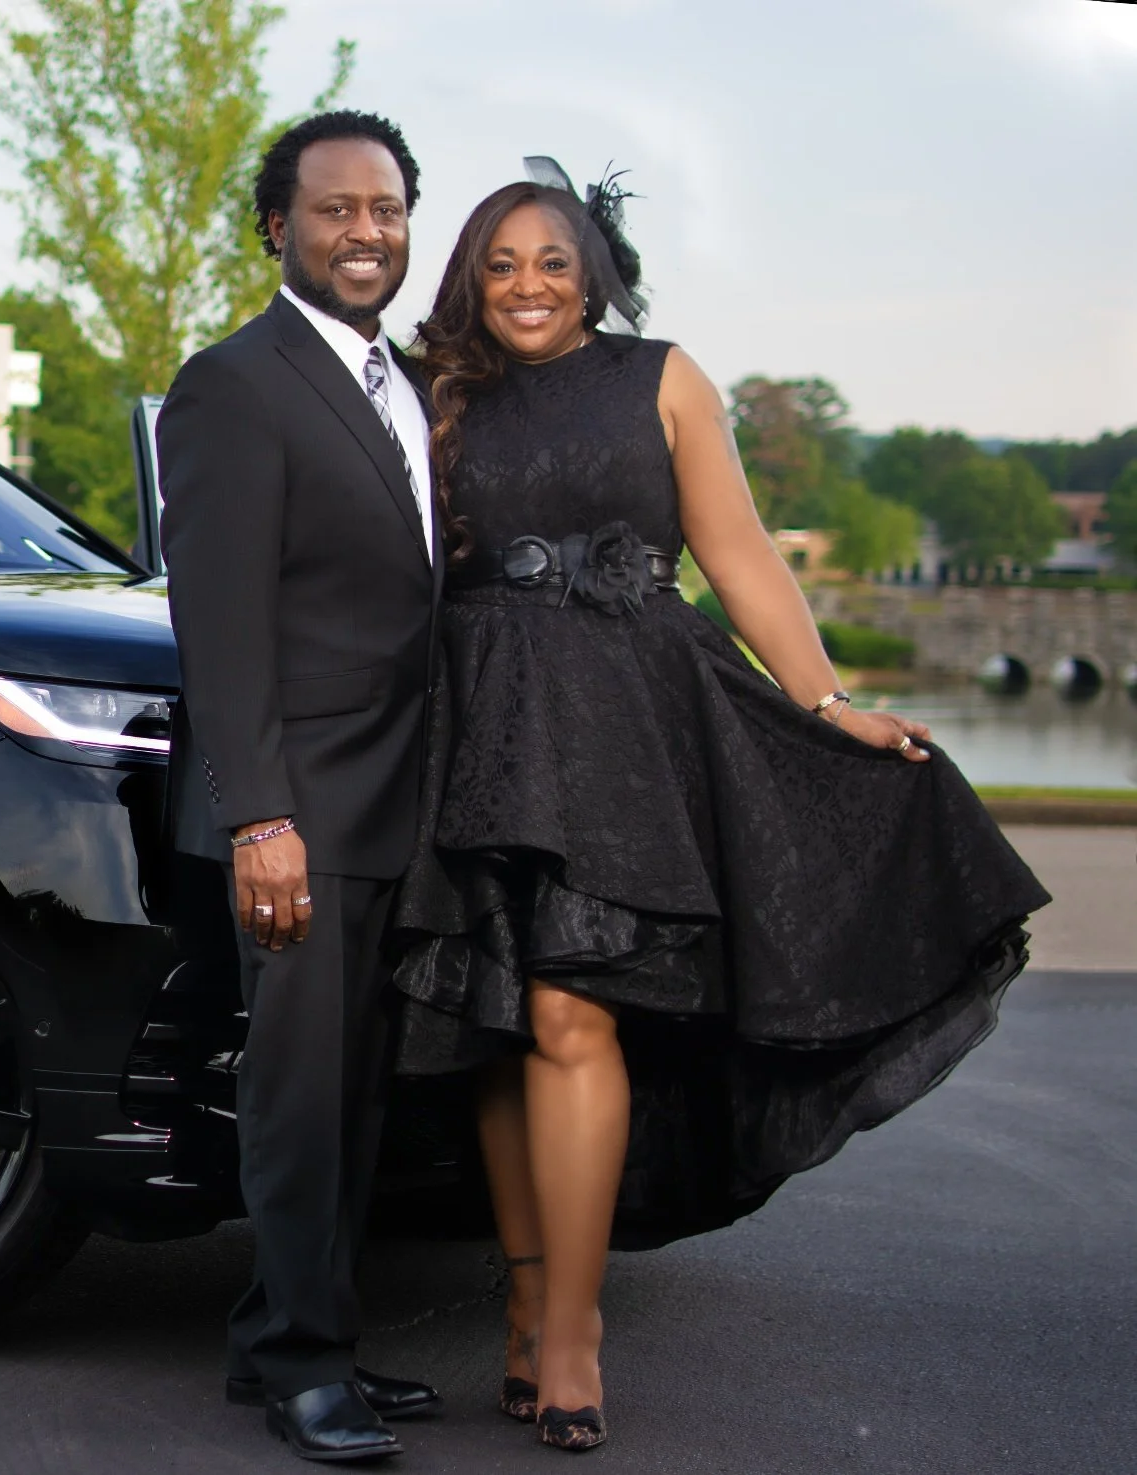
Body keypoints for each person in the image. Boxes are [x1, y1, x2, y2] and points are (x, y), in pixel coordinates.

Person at [389, 166, 1051, 1452]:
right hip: (474, 723)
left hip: (635, 722)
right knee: (493, 1013)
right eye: (502, 263)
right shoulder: (427, 390)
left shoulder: (663, 376)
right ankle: (523, 1306)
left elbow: (739, 551)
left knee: (576, 1008)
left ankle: (575, 1326)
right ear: (469, 273)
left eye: (553, 263)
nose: (527, 285)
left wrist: (823, 699)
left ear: (593, 276)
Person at [160, 110, 443, 1464]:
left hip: (399, 792)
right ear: (280, 226)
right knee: (296, 1093)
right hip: (304, 805)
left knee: (355, 1094)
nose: (366, 232)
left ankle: (290, 1329)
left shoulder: (413, 381)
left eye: (385, 208)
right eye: (335, 209)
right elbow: (221, 626)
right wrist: (257, 815)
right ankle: (301, 1361)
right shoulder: (236, 381)